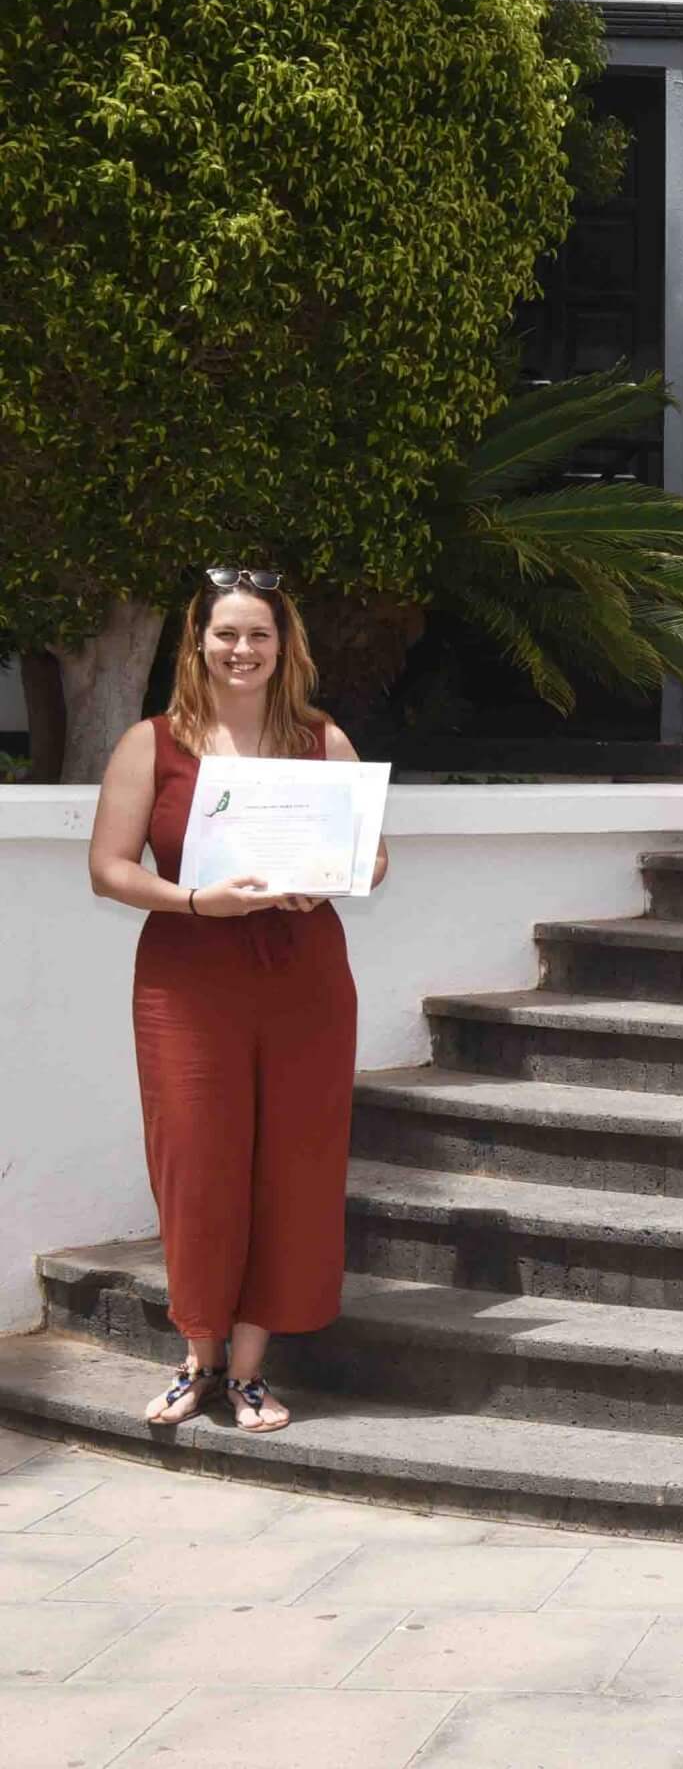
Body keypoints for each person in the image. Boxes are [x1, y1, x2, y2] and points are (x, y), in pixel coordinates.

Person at [87, 571, 389, 1434]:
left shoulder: (323, 740)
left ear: (284, 646)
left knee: (295, 1165)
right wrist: (196, 900)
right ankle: (200, 1357)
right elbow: (108, 867)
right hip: (188, 977)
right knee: (195, 1162)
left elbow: (374, 858)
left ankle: (251, 1371)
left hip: (303, 974)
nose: (242, 649)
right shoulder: (151, 743)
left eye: (259, 634)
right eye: (226, 633)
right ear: (198, 642)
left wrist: (332, 878)